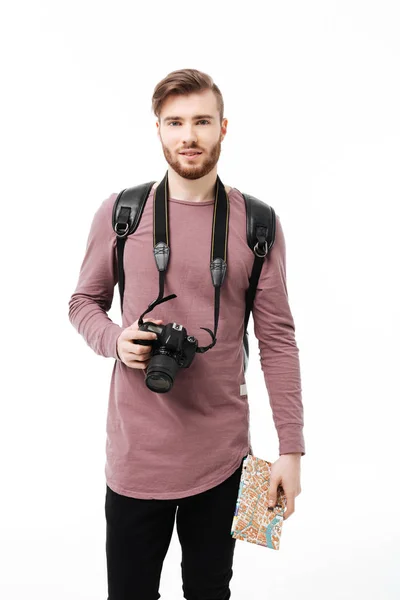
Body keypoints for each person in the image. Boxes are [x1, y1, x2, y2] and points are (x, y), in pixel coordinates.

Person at [68, 68, 305, 600]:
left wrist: (290, 449)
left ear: (224, 127)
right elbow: (83, 302)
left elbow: (279, 340)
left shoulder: (258, 224)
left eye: (201, 121)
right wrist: (116, 340)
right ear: (157, 130)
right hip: (135, 457)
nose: (188, 135)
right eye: (175, 122)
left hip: (225, 458)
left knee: (210, 593)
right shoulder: (121, 213)